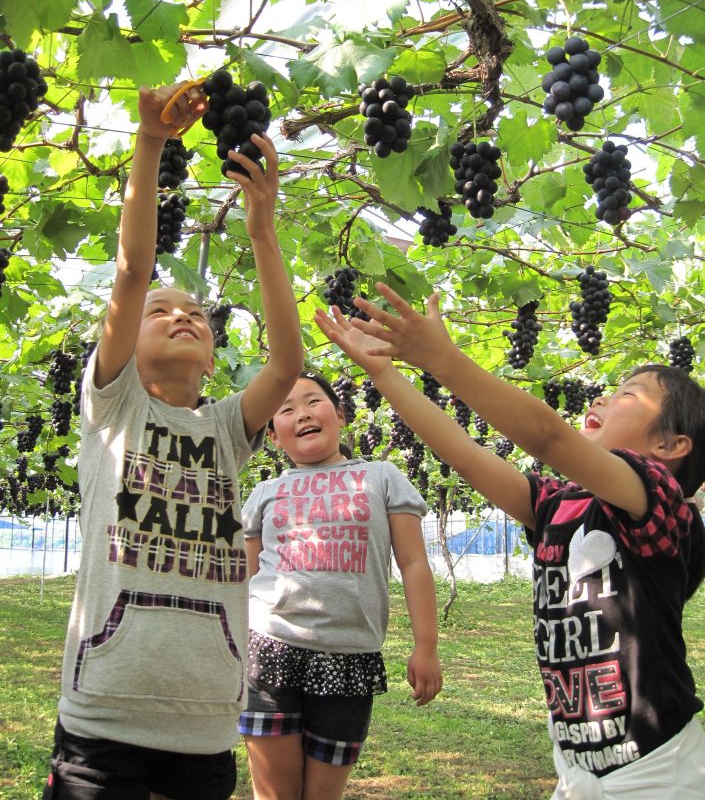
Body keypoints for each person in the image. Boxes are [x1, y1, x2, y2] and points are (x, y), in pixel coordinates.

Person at [315, 285, 705, 800]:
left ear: (669, 446)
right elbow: (465, 453)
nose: (602, 398)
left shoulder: (659, 502)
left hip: (657, 769)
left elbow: (549, 438)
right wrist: (384, 375)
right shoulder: (558, 505)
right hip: (575, 765)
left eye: (628, 394)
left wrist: (443, 360)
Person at [44, 83, 304, 800]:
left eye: (195, 312)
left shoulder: (227, 429)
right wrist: (150, 142)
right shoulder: (114, 405)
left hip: (206, 719)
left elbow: (287, 365)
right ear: (129, 338)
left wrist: (262, 230)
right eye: (161, 311)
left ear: (216, 356)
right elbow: (132, 270)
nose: (181, 315)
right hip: (104, 712)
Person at [238, 370, 443, 800]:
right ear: (273, 436)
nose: (302, 414)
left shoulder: (383, 477)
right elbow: (244, 578)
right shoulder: (263, 492)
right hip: (268, 645)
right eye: (286, 409)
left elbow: (413, 563)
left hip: (350, 656)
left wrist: (426, 645)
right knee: (275, 795)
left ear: (341, 415)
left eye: (313, 401)